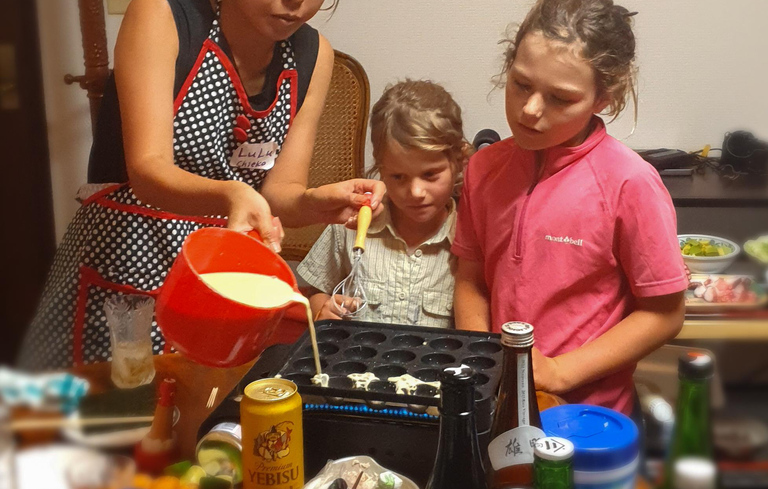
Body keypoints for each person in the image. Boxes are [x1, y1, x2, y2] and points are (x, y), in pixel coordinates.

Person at [18, 0, 385, 370]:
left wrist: (316, 203)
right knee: (116, 413)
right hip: (128, 267)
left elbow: (280, 191)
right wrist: (232, 194)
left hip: (218, 283)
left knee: (206, 413)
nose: (295, 2)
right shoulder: (164, 15)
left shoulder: (312, 54)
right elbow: (148, 170)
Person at [452, 0, 688, 417]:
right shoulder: (483, 167)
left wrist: (559, 372)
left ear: (603, 99)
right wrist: (484, 364)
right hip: (497, 402)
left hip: (588, 419)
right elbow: (471, 281)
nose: (530, 110)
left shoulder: (630, 183)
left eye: (561, 98)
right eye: (521, 84)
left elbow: (664, 314)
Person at [297, 80, 472, 328]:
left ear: (459, 161)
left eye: (430, 175)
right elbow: (317, 290)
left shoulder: (470, 241)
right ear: (380, 168)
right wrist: (322, 311)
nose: (415, 192)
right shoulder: (351, 225)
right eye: (398, 177)